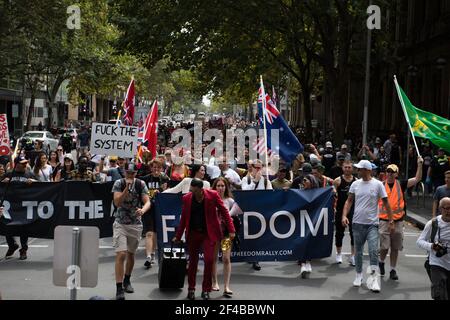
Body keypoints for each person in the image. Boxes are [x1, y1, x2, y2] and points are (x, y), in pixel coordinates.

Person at [172, 178, 235, 300]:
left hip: (209, 233)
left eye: (193, 190)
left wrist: (231, 230)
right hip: (193, 233)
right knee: (193, 263)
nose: (191, 192)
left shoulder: (212, 195)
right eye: (190, 190)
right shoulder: (187, 198)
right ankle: (191, 289)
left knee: (209, 260)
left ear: (201, 190)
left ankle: (206, 290)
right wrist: (178, 236)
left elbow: (225, 212)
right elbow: (184, 218)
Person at [342, 159, 393, 292]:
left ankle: (374, 280)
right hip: (357, 223)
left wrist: (391, 220)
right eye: (357, 169)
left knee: (372, 252)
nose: (358, 171)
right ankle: (358, 275)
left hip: (372, 224)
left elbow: (387, 203)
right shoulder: (355, 184)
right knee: (358, 251)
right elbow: (349, 201)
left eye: (360, 169)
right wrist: (344, 216)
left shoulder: (377, 185)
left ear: (368, 170)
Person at [378, 157, 423, 281]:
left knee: (395, 247)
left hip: (398, 221)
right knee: (384, 246)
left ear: (397, 174)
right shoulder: (380, 185)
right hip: (384, 220)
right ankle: (381, 262)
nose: (390, 174)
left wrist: (419, 165)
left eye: (392, 172)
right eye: (388, 171)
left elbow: (417, 179)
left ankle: (392, 269)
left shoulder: (401, 184)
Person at [112, 162, 151, 300]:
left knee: (131, 254)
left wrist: (143, 210)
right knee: (121, 254)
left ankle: (127, 280)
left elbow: (147, 201)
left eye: (132, 173)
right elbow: (117, 202)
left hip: (135, 224)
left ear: (136, 174)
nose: (130, 175)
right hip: (120, 223)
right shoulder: (119, 183)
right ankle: (118, 288)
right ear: (124, 172)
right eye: (128, 172)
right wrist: (126, 190)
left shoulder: (141, 184)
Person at [211, 177, 242, 297]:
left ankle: (226, 286)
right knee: (213, 258)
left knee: (226, 258)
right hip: (214, 233)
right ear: (215, 187)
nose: (220, 188)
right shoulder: (210, 199)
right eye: (218, 186)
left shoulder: (230, 201)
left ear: (226, 187)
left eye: (222, 186)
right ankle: (214, 282)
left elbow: (236, 213)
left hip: (226, 235)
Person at [3, 156, 37, 260]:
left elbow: (42, 185)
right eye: (22, 163)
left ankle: (24, 249)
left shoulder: (29, 174)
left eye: (25, 163)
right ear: (16, 164)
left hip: (24, 206)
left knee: (24, 227)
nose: (25, 165)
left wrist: (34, 181)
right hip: (11, 206)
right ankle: (12, 245)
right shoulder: (9, 174)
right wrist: (3, 181)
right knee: (6, 225)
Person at [417, 197, 450, 300]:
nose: (449, 211)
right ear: (440, 209)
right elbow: (420, 241)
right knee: (439, 294)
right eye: (447, 208)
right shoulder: (433, 223)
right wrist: (432, 246)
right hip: (437, 263)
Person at [140, 159, 169, 268]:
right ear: (151, 168)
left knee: (155, 234)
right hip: (148, 208)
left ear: (162, 168)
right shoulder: (146, 179)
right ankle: (148, 256)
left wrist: (161, 191)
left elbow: (170, 192)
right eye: (154, 167)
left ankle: (152, 254)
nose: (156, 169)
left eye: (158, 167)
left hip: (161, 209)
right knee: (149, 233)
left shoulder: (165, 179)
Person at [333, 160, 357, 265]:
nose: (347, 169)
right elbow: (333, 195)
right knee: (339, 233)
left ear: (352, 168)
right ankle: (339, 254)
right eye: (345, 167)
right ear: (342, 168)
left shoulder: (356, 181)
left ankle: (353, 256)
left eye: (349, 167)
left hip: (353, 210)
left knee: (354, 233)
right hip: (339, 210)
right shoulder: (337, 181)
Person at [299, 174, 320, 278]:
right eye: (303, 180)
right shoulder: (300, 192)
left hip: (313, 220)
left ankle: (308, 262)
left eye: (306, 180)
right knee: (303, 241)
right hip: (302, 220)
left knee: (311, 241)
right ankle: (303, 264)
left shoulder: (318, 193)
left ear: (311, 182)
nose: (304, 182)